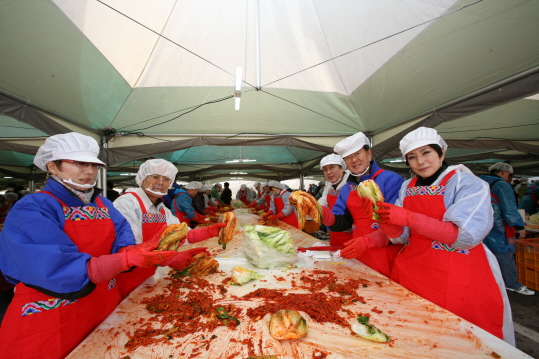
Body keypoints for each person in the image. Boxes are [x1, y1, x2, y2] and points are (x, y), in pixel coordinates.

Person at [0, 133, 181, 358]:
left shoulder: (102, 204)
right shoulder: (33, 207)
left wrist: (140, 252)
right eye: (79, 163)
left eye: (94, 165)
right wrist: (122, 260)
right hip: (54, 316)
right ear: (53, 167)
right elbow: (51, 265)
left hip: (103, 306)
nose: (89, 171)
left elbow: (123, 242)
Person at [364, 127, 513, 344]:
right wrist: (387, 222)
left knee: (458, 338)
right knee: (415, 332)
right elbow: (403, 237)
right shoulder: (408, 186)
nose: (420, 161)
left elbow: (465, 236)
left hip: (458, 274)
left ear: (441, 152)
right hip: (413, 270)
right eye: (412, 157)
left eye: (426, 153)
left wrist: (409, 218)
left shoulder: (468, 183)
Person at [113, 160, 224, 298]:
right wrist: (171, 258)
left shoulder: (161, 209)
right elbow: (131, 250)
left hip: (149, 274)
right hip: (129, 278)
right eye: (154, 177)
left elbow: (181, 234)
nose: (161, 182)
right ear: (142, 178)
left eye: (166, 179)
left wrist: (210, 231)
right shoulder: (127, 203)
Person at [326, 132, 404, 277]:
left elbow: (398, 225)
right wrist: (323, 214)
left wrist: (369, 241)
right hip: (358, 252)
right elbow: (341, 222)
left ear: (369, 153)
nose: (353, 160)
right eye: (348, 157)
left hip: (386, 252)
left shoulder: (391, 179)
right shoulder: (348, 188)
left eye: (357, 154)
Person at [481, 163, 534, 296]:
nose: (509, 179)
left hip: (481, 225)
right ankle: (511, 283)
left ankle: (489, 283)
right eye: (510, 176)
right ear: (504, 172)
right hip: (499, 226)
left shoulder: (479, 182)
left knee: (485, 255)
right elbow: (509, 208)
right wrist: (519, 227)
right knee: (504, 254)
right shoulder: (502, 185)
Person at [316, 154, 352, 245]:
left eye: (332, 167)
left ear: (342, 168)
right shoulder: (329, 186)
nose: (328, 172)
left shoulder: (353, 184)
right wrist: (315, 208)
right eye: (325, 169)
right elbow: (323, 201)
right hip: (335, 232)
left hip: (353, 235)